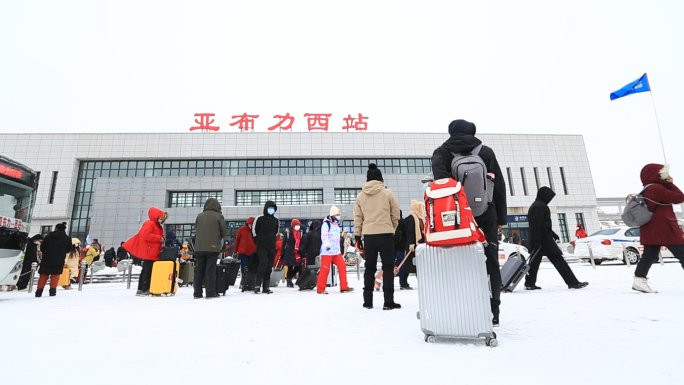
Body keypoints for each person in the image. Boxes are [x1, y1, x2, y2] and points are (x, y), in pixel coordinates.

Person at [431, 119, 507, 325]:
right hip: (486, 213)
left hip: (456, 219)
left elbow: (441, 188)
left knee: (456, 261)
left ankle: (461, 309)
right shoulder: (486, 152)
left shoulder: (441, 152)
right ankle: (493, 312)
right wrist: (501, 218)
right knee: (490, 259)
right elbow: (498, 185)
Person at [354, 163, 401, 310]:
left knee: (369, 268)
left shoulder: (361, 196)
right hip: (386, 234)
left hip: (369, 235)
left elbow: (357, 217)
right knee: (387, 267)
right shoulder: (388, 193)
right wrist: (392, 228)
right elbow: (396, 214)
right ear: (380, 178)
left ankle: (367, 301)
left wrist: (357, 236)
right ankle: (388, 301)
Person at [632, 164, 684, 293]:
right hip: (665, 228)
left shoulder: (647, 189)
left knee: (649, 255)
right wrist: (670, 184)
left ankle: (639, 280)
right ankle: (639, 281)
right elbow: (679, 197)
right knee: (682, 253)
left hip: (651, 229)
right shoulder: (656, 188)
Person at [525, 187, 588, 291]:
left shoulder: (538, 205)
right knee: (559, 260)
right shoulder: (540, 206)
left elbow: (541, 224)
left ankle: (529, 283)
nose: (550, 199)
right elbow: (537, 225)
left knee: (534, 262)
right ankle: (572, 282)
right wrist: (537, 241)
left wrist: (552, 234)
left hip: (541, 239)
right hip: (543, 240)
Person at [123, 207, 168, 296]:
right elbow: (146, 235)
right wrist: (159, 238)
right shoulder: (150, 223)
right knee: (148, 270)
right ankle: (145, 289)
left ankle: (141, 288)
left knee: (146, 270)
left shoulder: (154, 224)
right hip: (151, 251)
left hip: (153, 250)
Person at [193, 197, 228, 299]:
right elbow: (224, 231)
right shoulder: (218, 216)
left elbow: (196, 228)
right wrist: (217, 239)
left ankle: (197, 293)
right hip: (212, 248)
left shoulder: (200, 216)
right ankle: (210, 293)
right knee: (210, 270)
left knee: (199, 270)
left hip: (199, 248)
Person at [317, 206, 355, 294]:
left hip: (336, 251)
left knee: (342, 266)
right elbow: (324, 237)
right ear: (333, 215)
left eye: (339, 214)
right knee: (325, 269)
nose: (339, 216)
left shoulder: (335, 224)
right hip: (327, 251)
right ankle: (321, 289)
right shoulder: (326, 224)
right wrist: (327, 246)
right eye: (337, 214)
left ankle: (344, 286)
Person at [35, 223, 71, 297]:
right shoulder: (67, 238)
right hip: (59, 259)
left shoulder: (48, 237)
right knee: (55, 275)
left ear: (56, 228)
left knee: (43, 275)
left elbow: (42, 247)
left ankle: (39, 291)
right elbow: (68, 249)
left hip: (47, 258)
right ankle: (52, 291)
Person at [252, 201, 280, 294]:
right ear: (265, 208)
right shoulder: (259, 219)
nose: (271, 210)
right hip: (262, 246)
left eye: (273, 208)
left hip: (272, 247)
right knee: (262, 265)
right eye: (269, 208)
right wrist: (258, 242)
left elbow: (276, 232)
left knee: (269, 267)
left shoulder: (276, 220)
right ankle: (257, 285)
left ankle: (266, 287)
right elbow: (254, 232)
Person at [403, 200, 425, 290]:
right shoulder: (412, 219)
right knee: (409, 263)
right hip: (412, 246)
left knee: (417, 264)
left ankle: (419, 281)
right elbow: (410, 233)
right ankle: (404, 282)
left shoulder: (418, 219)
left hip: (417, 245)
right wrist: (411, 244)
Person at [283, 219, 304, 288]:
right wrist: (282, 252)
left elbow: (301, 241)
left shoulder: (301, 232)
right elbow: (284, 243)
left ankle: (294, 278)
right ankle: (289, 281)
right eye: (296, 225)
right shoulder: (288, 232)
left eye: (298, 225)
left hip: (298, 252)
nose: (297, 226)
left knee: (298, 266)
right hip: (289, 251)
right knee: (290, 266)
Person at [393, 210, 408, 288]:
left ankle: (387, 282)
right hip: (401, 247)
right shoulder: (403, 222)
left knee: (389, 265)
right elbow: (406, 234)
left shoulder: (390, 222)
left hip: (391, 246)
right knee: (401, 264)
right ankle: (402, 282)